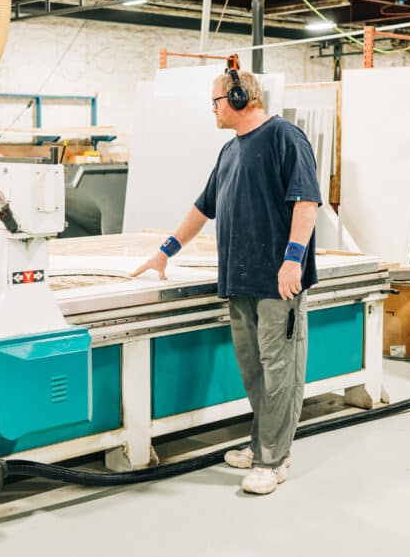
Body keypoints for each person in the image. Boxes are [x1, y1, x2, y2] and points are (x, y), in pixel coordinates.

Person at [132, 69, 321, 495]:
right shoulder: (229, 152)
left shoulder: (284, 138)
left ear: (238, 97)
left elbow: (306, 201)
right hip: (239, 280)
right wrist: (165, 252)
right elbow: (203, 209)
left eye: (216, 100)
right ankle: (262, 447)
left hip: (277, 283)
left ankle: (274, 461)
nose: (214, 109)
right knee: (255, 370)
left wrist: (292, 261)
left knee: (280, 371)